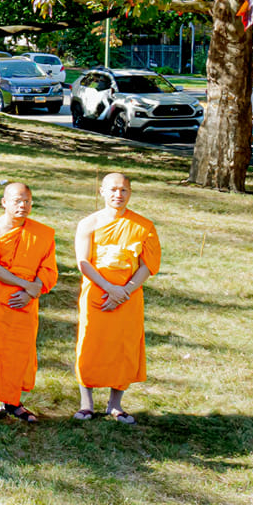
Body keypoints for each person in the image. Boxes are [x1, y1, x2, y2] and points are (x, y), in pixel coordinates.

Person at [74, 172, 160, 423]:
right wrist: (109, 288)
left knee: (124, 346)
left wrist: (125, 291)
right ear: (101, 191)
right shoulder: (88, 224)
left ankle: (115, 404)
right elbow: (83, 262)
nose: (118, 195)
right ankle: (86, 404)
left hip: (128, 295)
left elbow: (148, 264)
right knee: (90, 344)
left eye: (123, 190)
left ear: (130, 193)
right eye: (112, 189)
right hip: (96, 291)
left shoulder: (143, 226)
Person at [0, 180, 57, 424]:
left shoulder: (42, 233)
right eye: (17, 201)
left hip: (26, 299)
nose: (23, 206)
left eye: (27, 201)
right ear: (4, 202)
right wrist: (25, 285)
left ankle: (12, 401)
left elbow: (48, 268)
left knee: (20, 350)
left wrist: (31, 292)